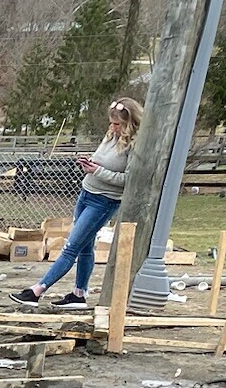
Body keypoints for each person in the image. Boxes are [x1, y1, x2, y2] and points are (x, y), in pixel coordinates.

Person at [12, 97, 145, 308]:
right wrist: (90, 164)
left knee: (70, 247)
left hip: (103, 201)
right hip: (86, 193)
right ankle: (78, 295)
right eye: (111, 122)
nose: (112, 126)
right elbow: (104, 162)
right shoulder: (111, 137)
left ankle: (37, 291)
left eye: (117, 124)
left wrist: (97, 171)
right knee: (85, 248)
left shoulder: (136, 146)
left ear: (130, 123)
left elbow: (128, 180)